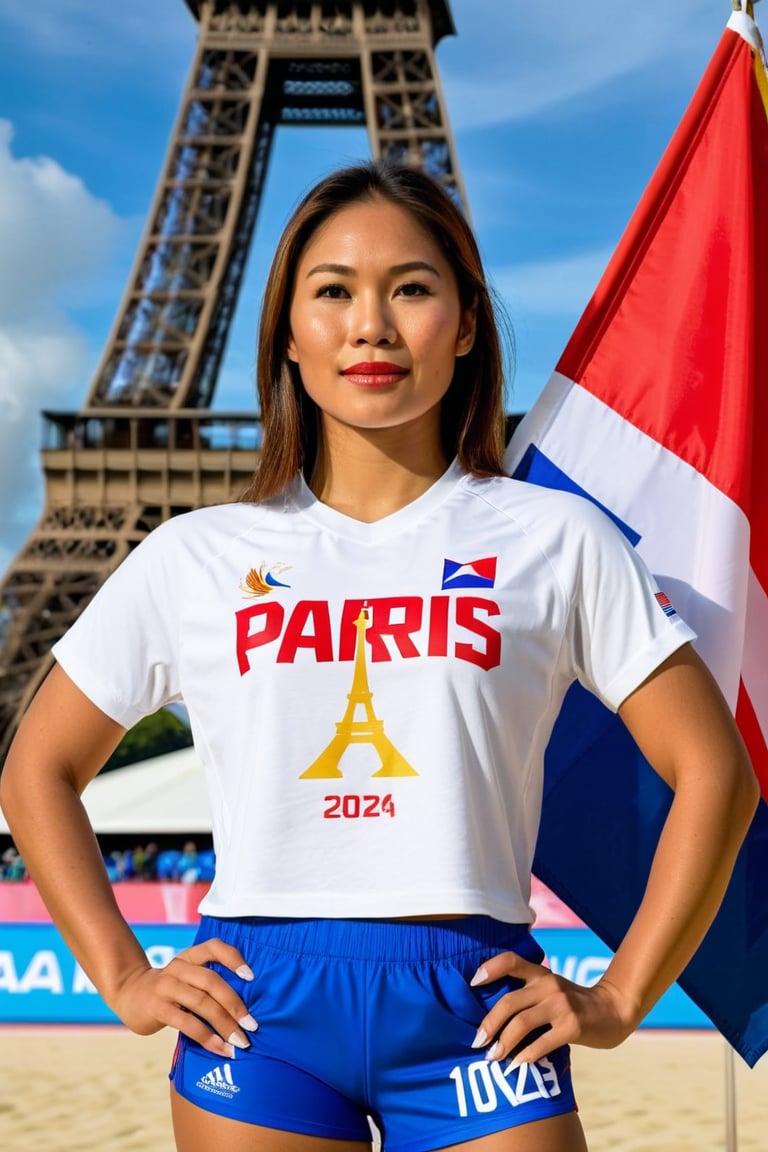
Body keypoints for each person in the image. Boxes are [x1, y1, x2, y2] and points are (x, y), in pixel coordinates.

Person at [0, 161, 758, 1152]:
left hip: (475, 998)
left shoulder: (556, 539)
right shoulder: (196, 555)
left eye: (411, 287)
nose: (371, 325)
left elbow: (717, 772)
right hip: (258, 1005)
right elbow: (36, 768)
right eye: (333, 292)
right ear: (286, 333)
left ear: (469, 323)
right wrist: (125, 976)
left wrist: (620, 998)